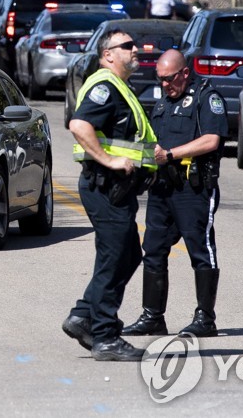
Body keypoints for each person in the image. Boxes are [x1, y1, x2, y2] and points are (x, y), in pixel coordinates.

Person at [62, 30, 157, 361]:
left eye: (134, 44)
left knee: (128, 254)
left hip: (118, 189)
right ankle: (105, 336)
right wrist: (109, 159)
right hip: (104, 185)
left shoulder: (121, 87)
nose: (136, 50)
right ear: (108, 55)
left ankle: (82, 315)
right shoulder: (105, 86)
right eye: (127, 46)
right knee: (113, 258)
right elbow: (79, 125)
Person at [123, 49, 227, 339]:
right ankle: (152, 317)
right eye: (160, 79)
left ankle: (205, 319)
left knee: (201, 251)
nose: (165, 85)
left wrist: (169, 154)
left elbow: (211, 139)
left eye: (170, 79)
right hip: (163, 188)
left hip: (193, 189)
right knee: (153, 249)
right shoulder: (163, 103)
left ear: (184, 73)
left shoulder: (207, 97)